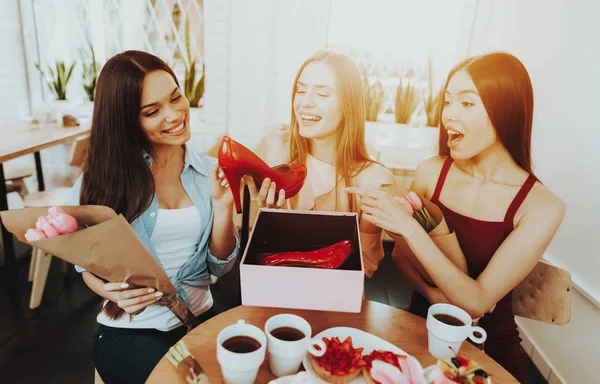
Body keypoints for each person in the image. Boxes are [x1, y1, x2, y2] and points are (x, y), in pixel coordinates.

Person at [346, 52, 565, 383]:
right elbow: (403, 259)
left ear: (506, 110)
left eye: (466, 103)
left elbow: (476, 302)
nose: (449, 115)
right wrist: (433, 297)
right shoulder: (432, 172)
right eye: (447, 101)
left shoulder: (542, 206)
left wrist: (406, 225)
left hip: (489, 349)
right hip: (422, 330)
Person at [65, 50, 239, 384]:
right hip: (133, 334)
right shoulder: (102, 180)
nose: (174, 115)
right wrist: (111, 292)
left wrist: (223, 206)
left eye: (176, 97)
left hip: (199, 321)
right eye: (152, 111)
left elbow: (219, 267)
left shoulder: (206, 173)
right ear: (127, 120)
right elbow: (85, 266)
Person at [248, 50, 394, 277]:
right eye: (301, 90)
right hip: (275, 286)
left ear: (349, 105)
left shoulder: (374, 178)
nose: (305, 103)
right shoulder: (275, 149)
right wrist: (272, 219)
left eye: (322, 94)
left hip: (336, 301)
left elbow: (366, 266)